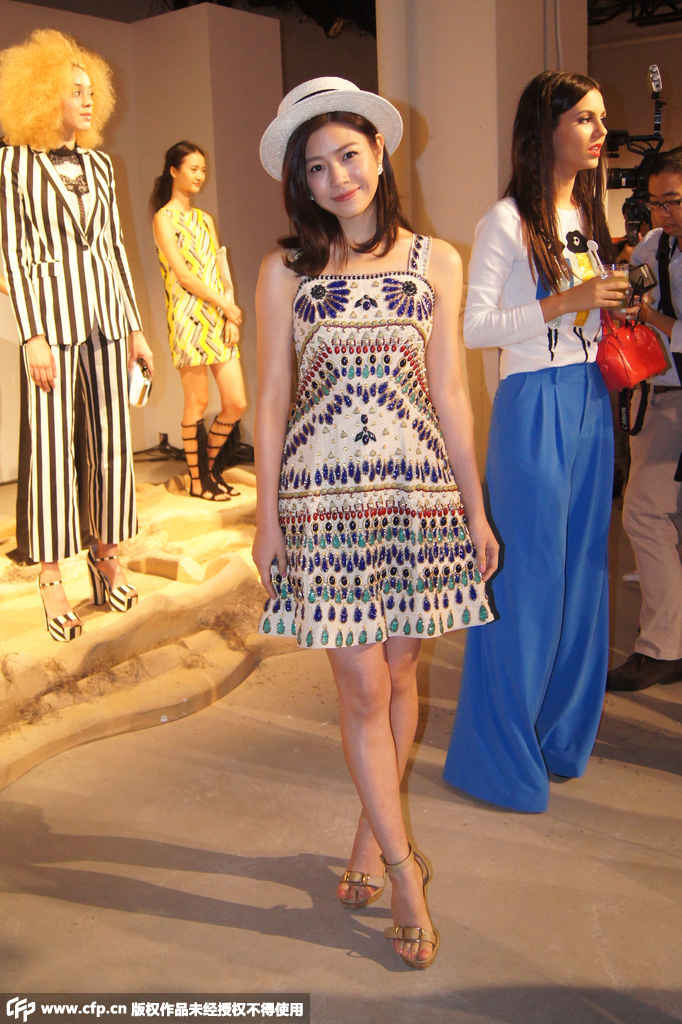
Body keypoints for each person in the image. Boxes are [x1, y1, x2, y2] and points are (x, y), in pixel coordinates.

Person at [253, 77, 498, 969]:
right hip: (323, 504)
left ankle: (370, 832)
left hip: (415, 496)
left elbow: (451, 396)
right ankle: (404, 871)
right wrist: (266, 517)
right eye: (316, 167)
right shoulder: (286, 270)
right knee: (361, 690)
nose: (337, 177)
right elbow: (271, 401)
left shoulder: (437, 261)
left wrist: (473, 507)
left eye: (348, 155)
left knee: (399, 680)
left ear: (379, 153)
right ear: (302, 182)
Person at [443, 71, 631, 813]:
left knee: (584, 570)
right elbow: (474, 328)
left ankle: (558, 736)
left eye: (601, 117)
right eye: (585, 118)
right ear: (545, 127)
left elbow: (585, 310)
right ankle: (497, 759)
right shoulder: (506, 221)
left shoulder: (586, 211)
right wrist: (567, 302)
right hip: (534, 404)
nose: (599, 131)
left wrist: (611, 305)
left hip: (590, 397)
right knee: (525, 579)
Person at [0, 29, 154, 641]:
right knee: (50, 452)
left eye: (91, 91)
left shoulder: (101, 164)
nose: (88, 101)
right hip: (51, 326)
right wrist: (31, 335)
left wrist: (135, 329)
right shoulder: (14, 163)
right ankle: (50, 578)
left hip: (107, 323)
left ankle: (106, 557)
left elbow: (114, 249)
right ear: (44, 97)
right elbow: (14, 255)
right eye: (75, 91)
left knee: (111, 445)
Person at [607, 148, 682, 691]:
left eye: (673, 201)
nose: (663, 213)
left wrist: (650, 313)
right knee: (647, 513)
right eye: (656, 202)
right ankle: (665, 642)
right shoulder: (656, 244)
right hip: (660, 394)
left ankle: (664, 646)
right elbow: (636, 290)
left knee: (646, 514)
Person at [151, 142, 245, 501]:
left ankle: (206, 470)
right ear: (174, 171)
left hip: (218, 316)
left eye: (203, 170)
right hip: (187, 318)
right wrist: (226, 306)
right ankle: (199, 480)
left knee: (236, 402)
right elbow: (185, 276)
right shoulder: (163, 218)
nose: (200, 176)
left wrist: (229, 313)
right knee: (198, 401)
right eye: (193, 169)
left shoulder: (205, 219)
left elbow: (220, 270)